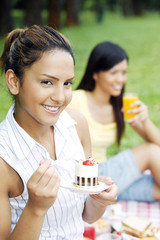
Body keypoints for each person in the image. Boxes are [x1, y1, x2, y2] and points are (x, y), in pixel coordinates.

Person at [0, 26, 118, 240]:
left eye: (67, 83)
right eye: (47, 82)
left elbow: (87, 215)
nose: (60, 97)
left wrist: (98, 200)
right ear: (14, 82)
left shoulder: (77, 125)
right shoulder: (3, 158)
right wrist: (36, 208)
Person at [68, 41, 160, 202]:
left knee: (157, 190)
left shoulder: (121, 106)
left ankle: (107, 196)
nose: (120, 79)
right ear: (95, 73)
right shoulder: (76, 100)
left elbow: (157, 142)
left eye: (123, 72)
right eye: (113, 72)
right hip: (83, 175)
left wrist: (144, 120)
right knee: (151, 152)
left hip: (106, 177)